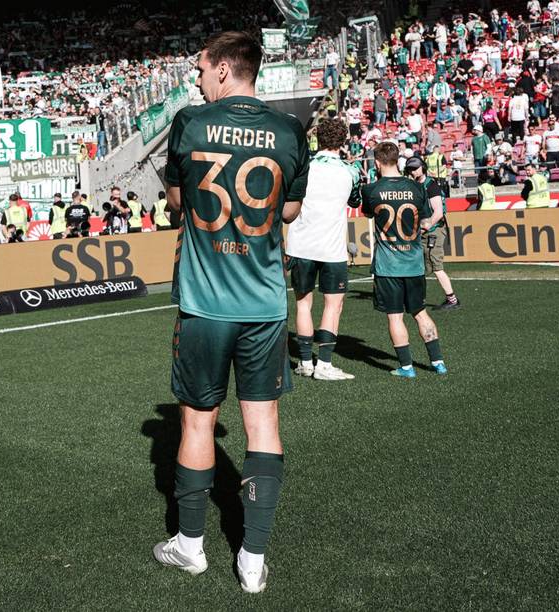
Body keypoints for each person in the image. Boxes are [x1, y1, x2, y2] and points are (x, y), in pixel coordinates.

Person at [152, 31, 309, 594]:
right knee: (262, 424)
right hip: (264, 303)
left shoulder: (191, 123)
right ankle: (252, 558)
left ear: (222, 68)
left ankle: (191, 546)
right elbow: (288, 208)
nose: (196, 79)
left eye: (200, 69)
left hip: (204, 302)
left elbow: (176, 202)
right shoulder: (290, 130)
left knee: (198, 420)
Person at [362, 142, 447, 378]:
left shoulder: (371, 190)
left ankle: (407, 367)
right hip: (413, 262)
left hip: (388, 265)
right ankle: (438, 362)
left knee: (395, 316)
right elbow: (426, 220)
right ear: (398, 160)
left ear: (377, 163)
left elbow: (368, 213)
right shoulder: (417, 187)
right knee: (420, 312)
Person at [286, 118, 359, 381]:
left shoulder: (302, 167)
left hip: (301, 245)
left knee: (303, 304)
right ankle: (324, 365)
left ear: (318, 139)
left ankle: (305, 362)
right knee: (333, 305)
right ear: (343, 141)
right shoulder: (351, 172)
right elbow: (355, 199)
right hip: (331, 248)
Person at [404, 157, 462, 311]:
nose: (413, 171)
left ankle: (452, 299)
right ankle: (417, 298)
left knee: (436, 266)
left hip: (433, 229)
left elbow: (438, 212)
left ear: (422, 167)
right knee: (422, 267)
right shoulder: (414, 185)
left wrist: (424, 228)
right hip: (424, 229)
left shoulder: (431, 185)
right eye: (411, 168)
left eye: (416, 168)